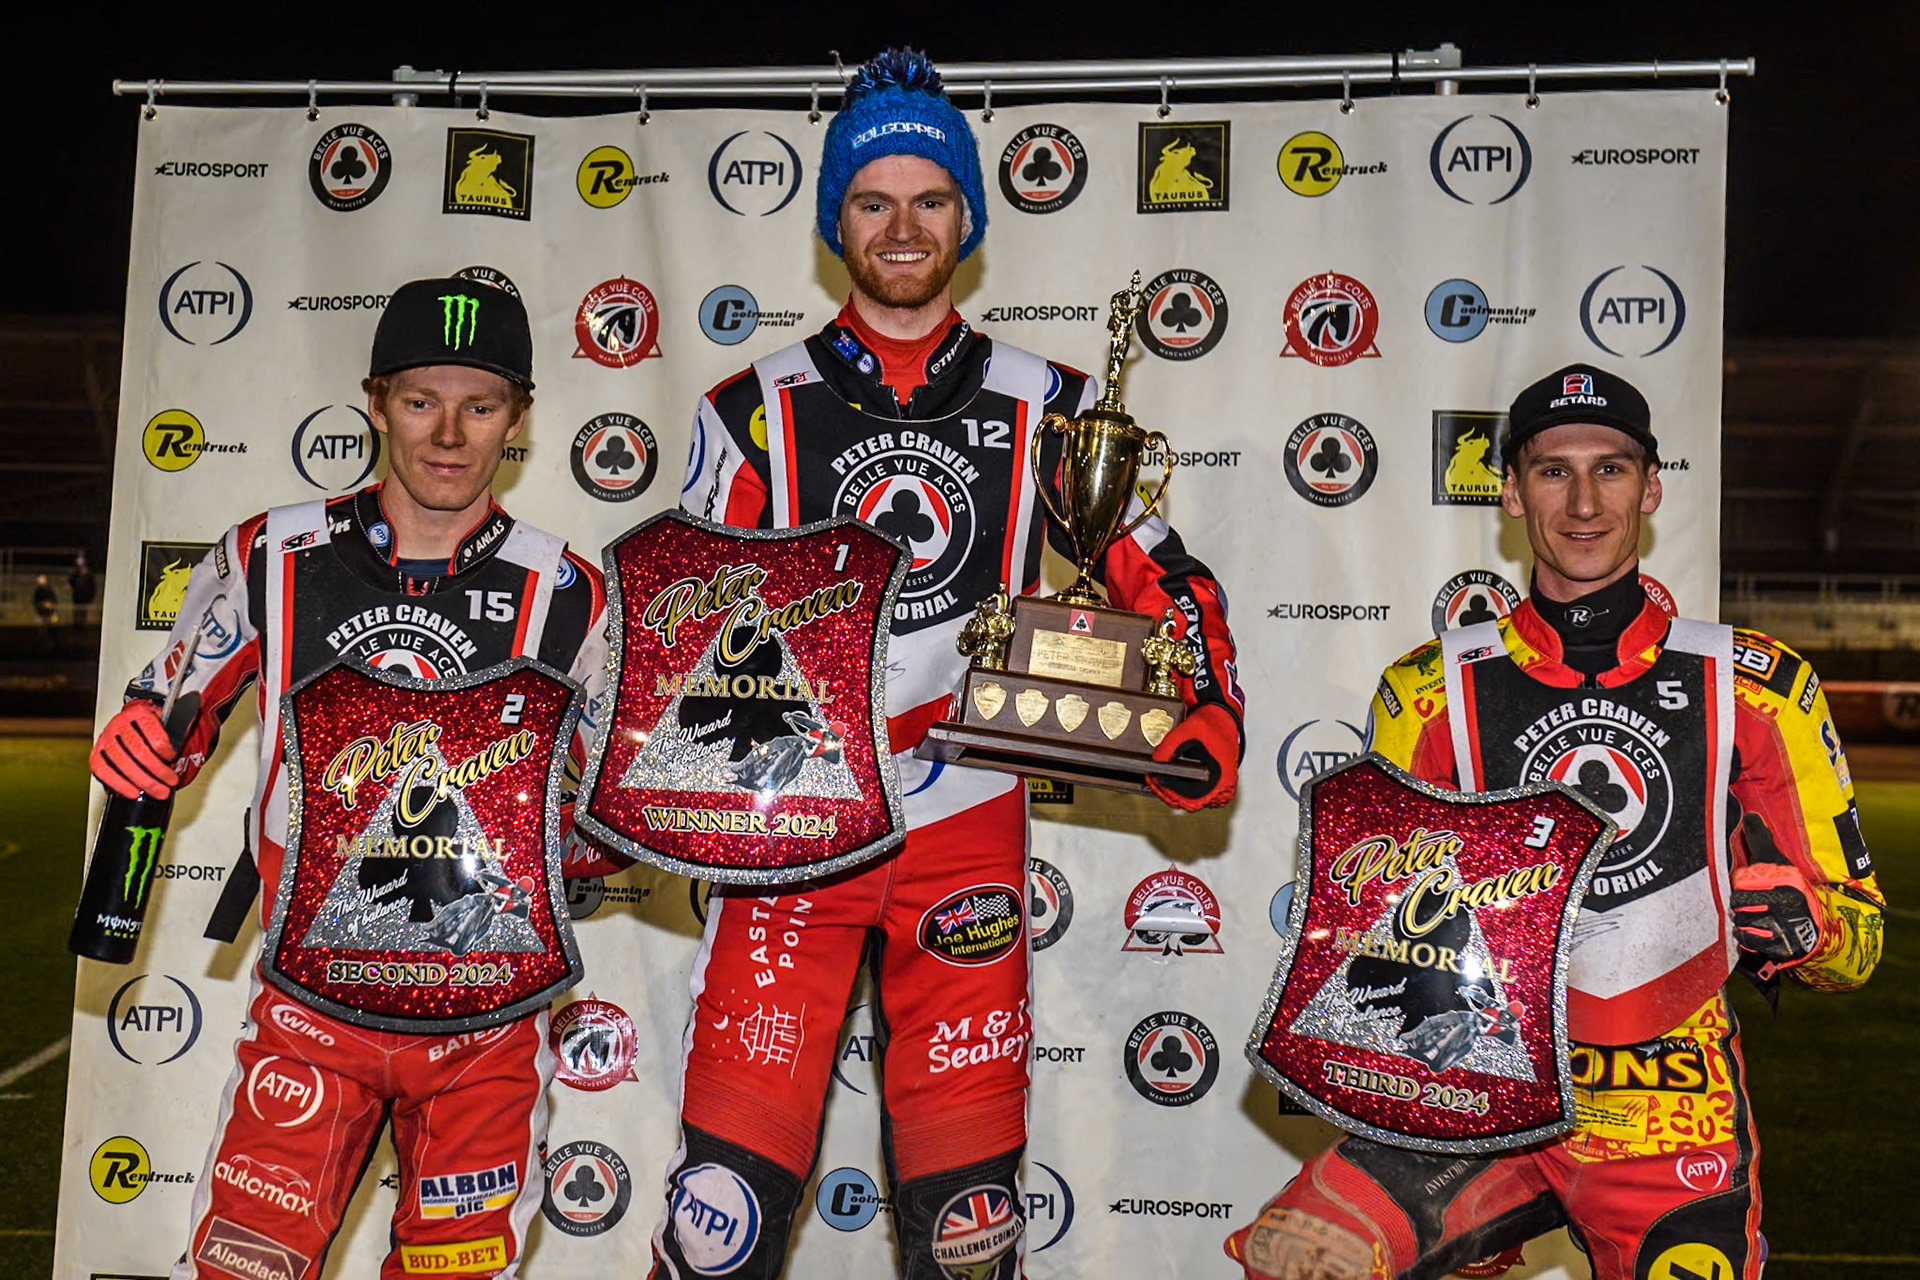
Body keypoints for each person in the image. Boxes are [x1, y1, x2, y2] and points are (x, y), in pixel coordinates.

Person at [655, 49, 1245, 1280]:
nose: (904, 226)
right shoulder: (753, 407)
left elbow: (1162, 577)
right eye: (873, 201)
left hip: (967, 835)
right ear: (836, 224)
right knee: (724, 1220)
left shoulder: (1058, 403)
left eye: (931, 199)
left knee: (967, 1232)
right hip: (795, 837)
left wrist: (1206, 711)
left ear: (969, 219)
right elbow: (683, 634)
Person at [1225, 365, 1884, 1280]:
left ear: (1652, 486)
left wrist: (1810, 931)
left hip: (1666, 1103)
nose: (1583, 501)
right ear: (1509, 491)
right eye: (1551, 471)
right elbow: (1381, 965)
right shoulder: (1429, 690)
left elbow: (1862, 940)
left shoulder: (1757, 686)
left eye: (1610, 470)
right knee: (1299, 1256)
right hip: (1476, 1089)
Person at [88, 277, 615, 1279]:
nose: (450, 433)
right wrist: (144, 742)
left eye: (482, 404)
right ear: (375, 402)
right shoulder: (267, 555)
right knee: (242, 1267)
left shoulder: (572, 596)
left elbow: (607, 807)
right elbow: (170, 718)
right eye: (421, 401)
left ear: (521, 417)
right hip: (309, 1005)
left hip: (488, 1021)